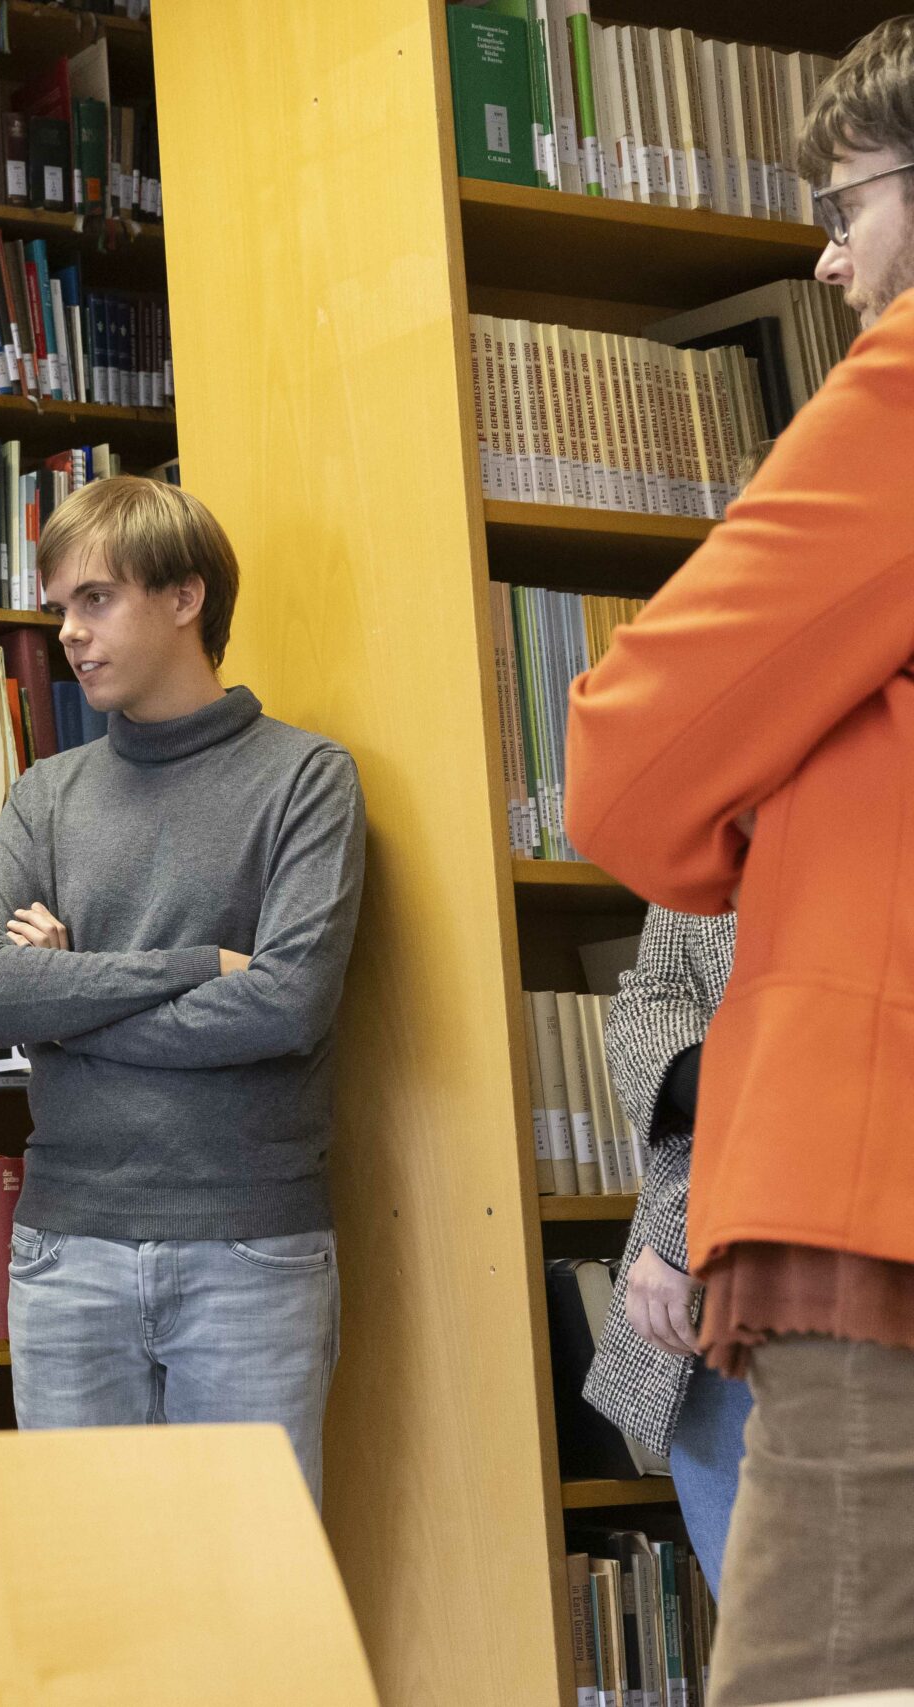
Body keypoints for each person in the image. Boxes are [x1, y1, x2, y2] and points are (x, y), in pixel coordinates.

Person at [566, 18, 914, 1701]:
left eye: (852, 200)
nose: (836, 259)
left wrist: (795, 775)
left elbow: (628, 761)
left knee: (820, 1672)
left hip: (887, 1172)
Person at [0, 476, 365, 1503]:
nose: (68, 635)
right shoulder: (46, 796)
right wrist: (189, 967)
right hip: (65, 1246)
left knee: (259, 1594)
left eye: (94, 600)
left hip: (249, 1249)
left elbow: (283, 1007)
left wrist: (70, 1004)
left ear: (184, 598)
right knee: (91, 1599)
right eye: (58, 609)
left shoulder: (305, 779)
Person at [581, 907, 748, 1592]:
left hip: (831, 1276)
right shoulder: (716, 819)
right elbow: (644, 1002)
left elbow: (812, 1057)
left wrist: (682, 1231)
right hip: (712, 1316)